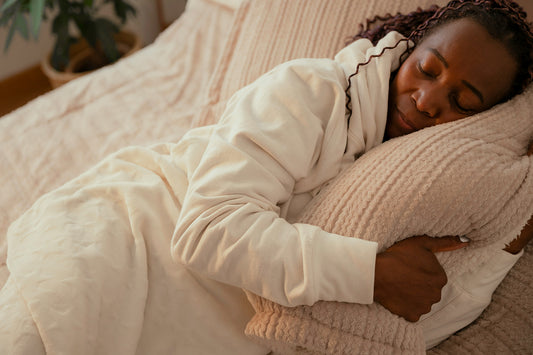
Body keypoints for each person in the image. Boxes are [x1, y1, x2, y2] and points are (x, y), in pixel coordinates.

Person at [0, 0, 532, 354]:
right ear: (407, 48)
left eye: (462, 101)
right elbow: (209, 230)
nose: (426, 100)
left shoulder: (433, 184)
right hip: (122, 247)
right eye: (428, 69)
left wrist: (514, 235)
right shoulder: (314, 91)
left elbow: (428, 305)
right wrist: (369, 273)